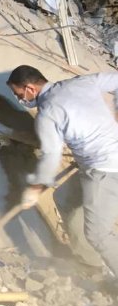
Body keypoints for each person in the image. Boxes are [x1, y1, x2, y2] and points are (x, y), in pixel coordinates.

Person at [7, 66, 118, 279]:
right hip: (94, 164)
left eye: (19, 94)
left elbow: (51, 155)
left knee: (98, 233)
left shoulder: (48, 113)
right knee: (65, 199)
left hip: (105, 168)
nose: (19, 98)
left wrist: (37, 186)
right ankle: (90, 263)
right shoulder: (80, 82)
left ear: (30, 88)